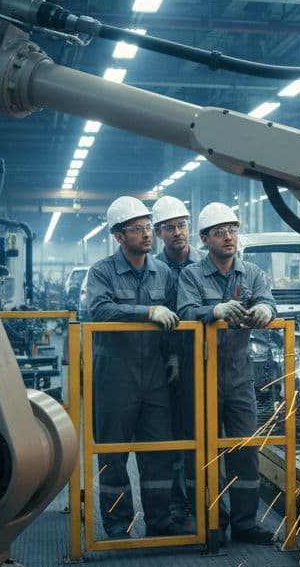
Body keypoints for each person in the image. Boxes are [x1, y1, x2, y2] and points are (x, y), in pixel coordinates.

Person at [82, 196, 189, 539]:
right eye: (137, 229)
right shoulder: (102, 271)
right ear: (118, 236)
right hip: (115, 376)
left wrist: (173, 356)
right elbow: (98, 309)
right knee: (113, 454)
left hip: (155, 376)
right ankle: (117, 525)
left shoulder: (162, 273)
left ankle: (159, 521)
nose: (147, 234)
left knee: (157, 452)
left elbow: (177, 315)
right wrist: (146, 312)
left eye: (147, 227)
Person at [176, 202, 277, 545]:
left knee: (244, 449)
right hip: (202, 375)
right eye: (219, 232)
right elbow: (185, 310)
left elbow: (268, 301)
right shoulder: (191, 275)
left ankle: (245, 523)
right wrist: (213, 310)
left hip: (238, 375)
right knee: (202, 450)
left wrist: (265, 307)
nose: (228, 237)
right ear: (204, 240)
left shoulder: (252, 274)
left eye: (232, 230)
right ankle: (209, 522)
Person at [152, 196, 200, 525]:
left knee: (201, 434)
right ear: (159, 233)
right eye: (170, 228)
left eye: (182, 225)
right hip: (163, 365)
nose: (178, 232)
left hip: (202, 363)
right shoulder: (153, 270)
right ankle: (175, 503)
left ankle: (204, 502)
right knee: (169, 437)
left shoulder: (206, 264)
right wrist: (170, 356)